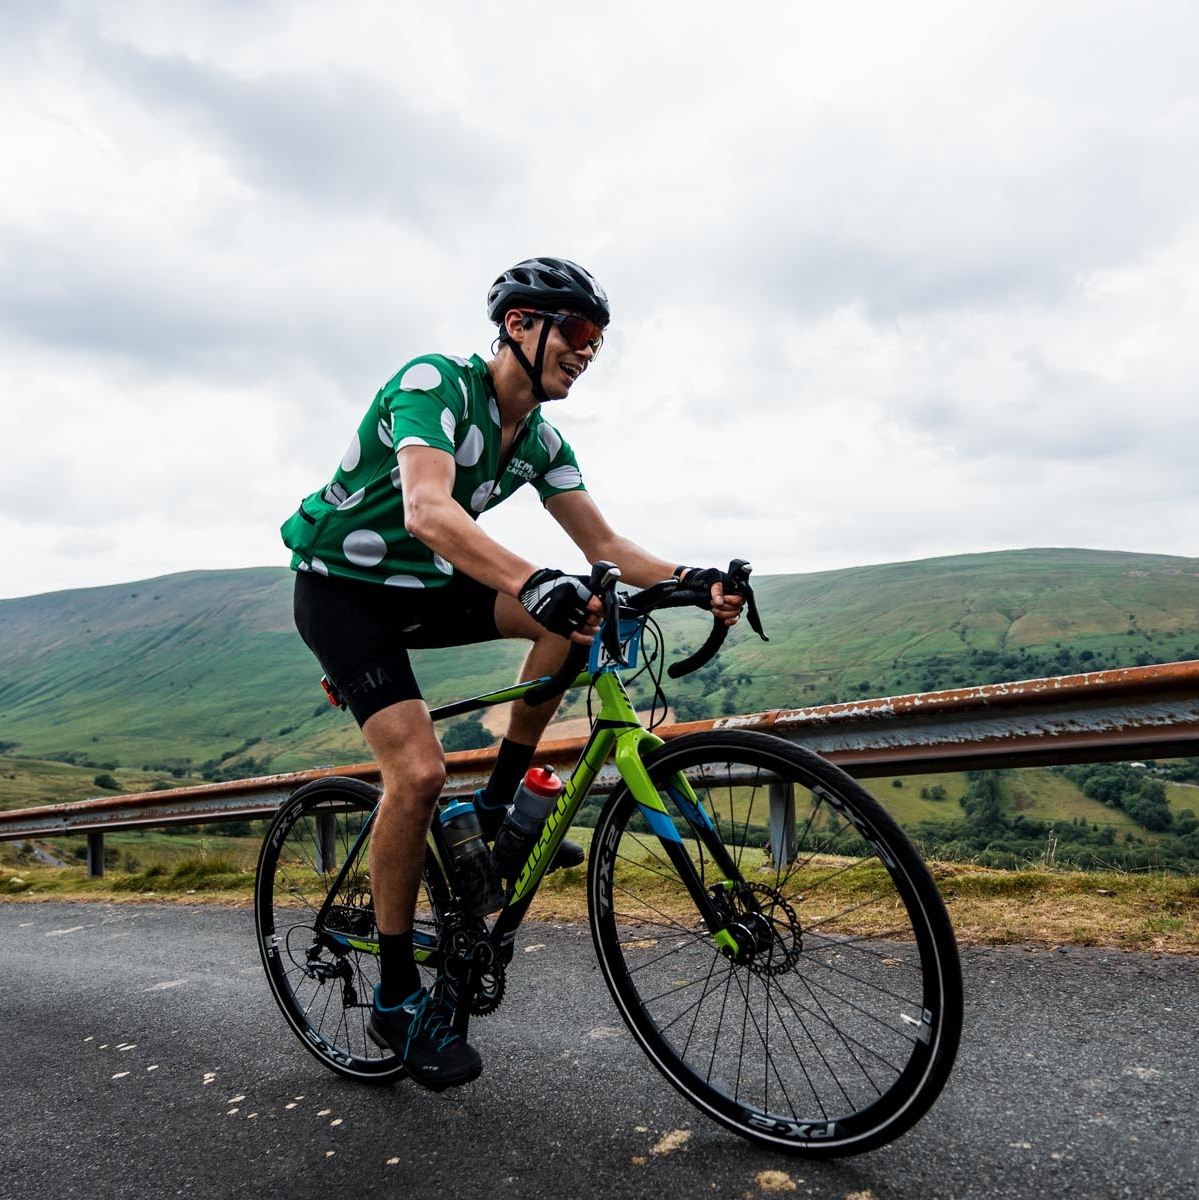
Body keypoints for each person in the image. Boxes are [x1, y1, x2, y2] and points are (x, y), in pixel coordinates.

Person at [281, 257, 744, 1090]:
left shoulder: (540, 438)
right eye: (575, 332)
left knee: (579, 620)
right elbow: (427, 509)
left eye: (597, 341)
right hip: (343, 592)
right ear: (519, 325)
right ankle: (394, 993)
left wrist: (692, 580)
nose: (586, 351)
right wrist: (529, 578)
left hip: (425, 588)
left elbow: (605, 550)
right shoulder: (434, 384)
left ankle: (496, 810)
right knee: (416, 776)